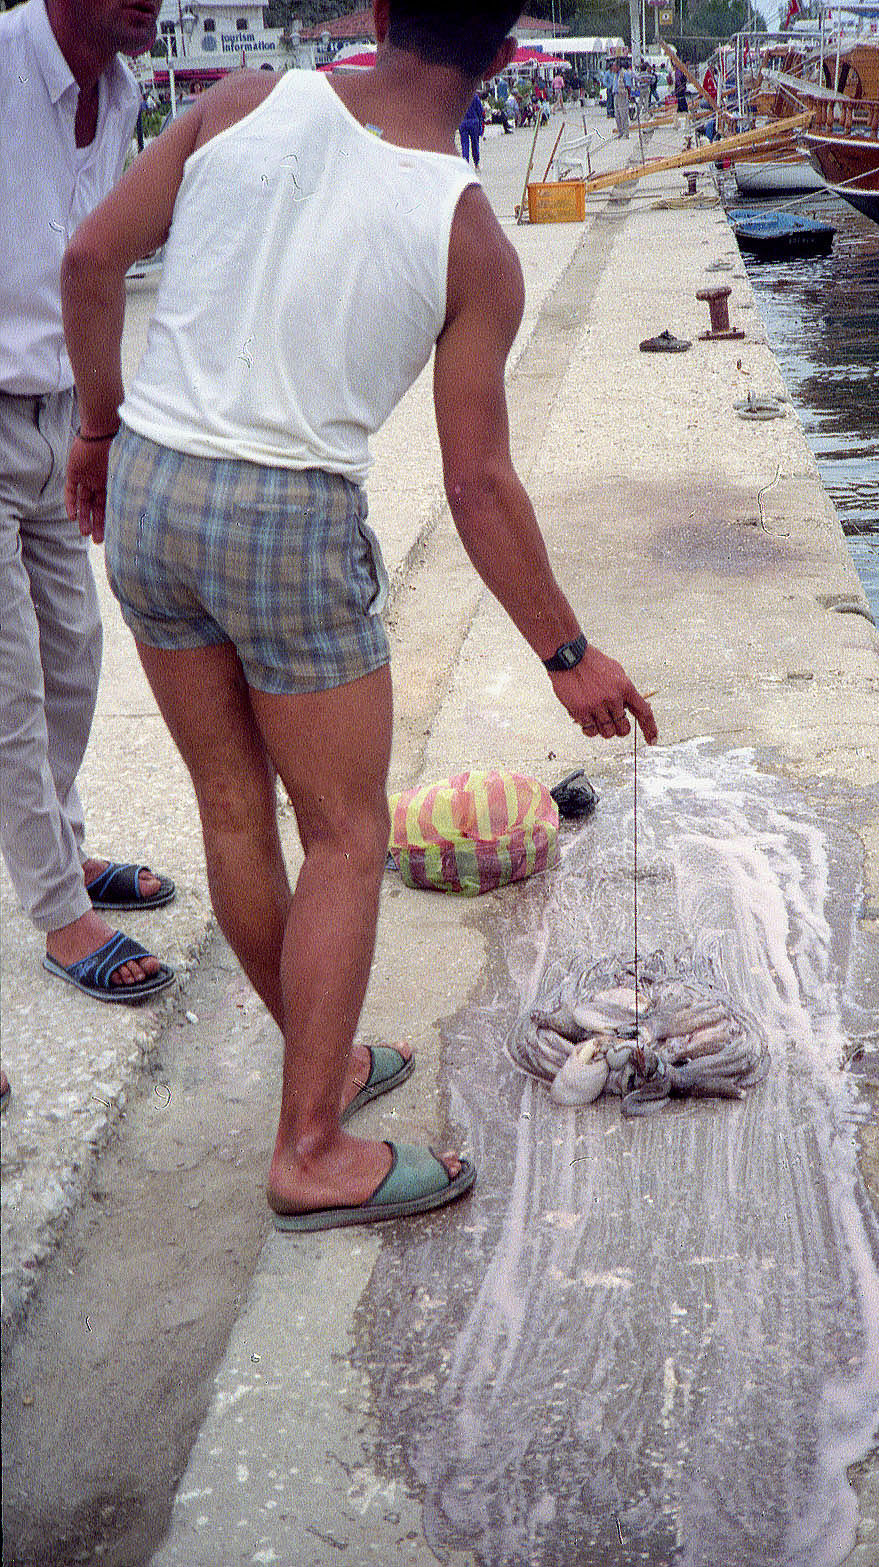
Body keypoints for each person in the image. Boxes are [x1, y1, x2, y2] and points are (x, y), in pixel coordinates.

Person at [60, 0, 658, 1233]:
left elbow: (88, 262)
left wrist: (100, 427)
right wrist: (566, 650)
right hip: (285, 511)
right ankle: (314, 1146)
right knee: (342, 834)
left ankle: (316, 1069)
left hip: (158, 483)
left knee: (233, 808)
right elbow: (475, 481)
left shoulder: (235, 103)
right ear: (501, 58)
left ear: (379, 14)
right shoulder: (469, 238)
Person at [0, 0, 175, 1014]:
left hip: (61, 411)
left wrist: (95, 418)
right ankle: (61, 909)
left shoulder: (121, 87)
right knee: (12, 683)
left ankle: (57, 847)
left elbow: (91, 262)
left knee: (74, 654)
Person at [458, 88, 484, 166]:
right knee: (475, 143)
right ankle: (476, 162)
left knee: (464, 144)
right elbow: (480, 111)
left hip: (463, 122)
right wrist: (480, 123)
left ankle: (466, 161)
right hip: (473, 122)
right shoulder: (474, 97)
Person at [613, 58, 635, 139]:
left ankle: (626, 133)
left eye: (614, 66)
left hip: (622, 95)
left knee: (623, 114)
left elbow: (628, 86)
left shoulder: (625, 73)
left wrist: (629, 96)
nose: (613, 68)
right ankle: (620, 132)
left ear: (618, 66)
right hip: (616, 95)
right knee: (617, 115)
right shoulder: (616, 74)